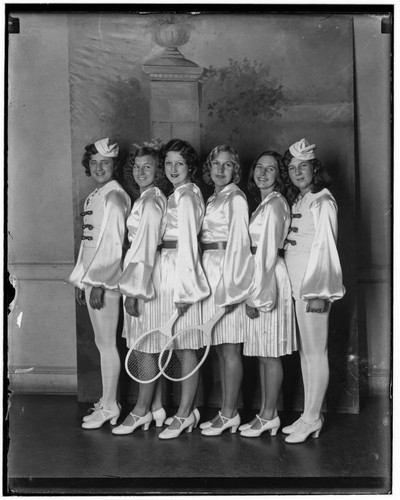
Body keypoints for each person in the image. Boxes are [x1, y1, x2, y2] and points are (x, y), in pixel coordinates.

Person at [281, 138, 345, 443]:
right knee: (307, 353)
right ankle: (308, 415)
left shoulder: (323, 200)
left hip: (313, 288)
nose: (297, 172)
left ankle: (313, 417)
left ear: (314, 168)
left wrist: (320, 292)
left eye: (303, 166)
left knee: (316, 353)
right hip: (298, 287)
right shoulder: (301, 200)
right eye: (292, 168)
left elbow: (326, 249)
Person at [67, 138, 131, 429]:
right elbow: (89, 244)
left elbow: (113, 246)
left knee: (107, 345)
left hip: (107, 281)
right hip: (94, 281)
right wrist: (83, 281)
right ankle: (107, 401)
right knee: (102, 343)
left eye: (105, 162)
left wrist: (100, 284)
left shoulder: (115, 196)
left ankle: (109, 406)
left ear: (114, 165)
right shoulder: (97, 195)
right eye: (93, 163)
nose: (99, 167)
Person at [109, 140, 168, 435]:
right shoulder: (146, 198)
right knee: (149, 345)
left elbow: (145, 249)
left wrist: (134, 290)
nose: (141, 171)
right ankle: (156, 407)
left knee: (145, 347)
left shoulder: (151, 201)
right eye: (137, 166)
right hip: (143, 275)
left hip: (146, 280)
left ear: (158, 171)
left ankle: (141, 410)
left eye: (148, 167)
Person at [240, 151, 297, 438]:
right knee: (263, 352)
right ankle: (266, 412)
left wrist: (256, 296)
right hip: (260, 275)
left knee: (271, 352)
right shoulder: (263, 204)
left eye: (270, 169)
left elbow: (266, 253)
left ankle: (270, 414)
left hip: (269, 278)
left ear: (279, 175)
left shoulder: (275, 205)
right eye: (259, 167)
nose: (263, 173)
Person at [199, 145, 253, 436]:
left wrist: (232, 289)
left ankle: (230, 413)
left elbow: (241, 246)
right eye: (216, 164)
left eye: (227, 165)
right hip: (209, 270)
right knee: (219, 347)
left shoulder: (236, 198)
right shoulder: (213, 197)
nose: (220, 170)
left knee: (230, 347)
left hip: (225, 274)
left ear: (236, 170)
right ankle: (225, 411)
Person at [157, 139, 210, 440]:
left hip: (182, 275)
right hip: (169, 269)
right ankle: (184, 411)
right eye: (168, 163)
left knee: (187, 345)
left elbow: (190, 246)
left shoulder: (188, 196)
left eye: (179, 163)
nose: (173, 169)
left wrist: (185, 291)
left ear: (190, 166)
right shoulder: (176, 194)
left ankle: (185, 413)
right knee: (178, 344)